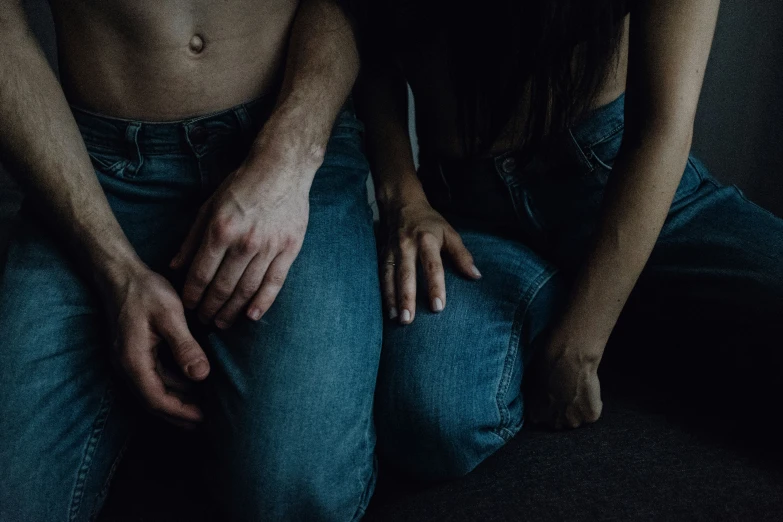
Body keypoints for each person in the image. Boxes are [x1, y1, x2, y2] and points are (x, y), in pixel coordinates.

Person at [356, 0, 783, 480]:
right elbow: (369, 43)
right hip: (470, 216)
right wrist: (403, 196)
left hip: (620, 181)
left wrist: (583, 340)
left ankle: (610, 308)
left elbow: (662, 125)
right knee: (428, 423)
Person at [0, 1, 381, 520]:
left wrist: (288, 158)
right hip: (88, 170)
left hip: (286, 138)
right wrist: (113, 269)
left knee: (285, 495)